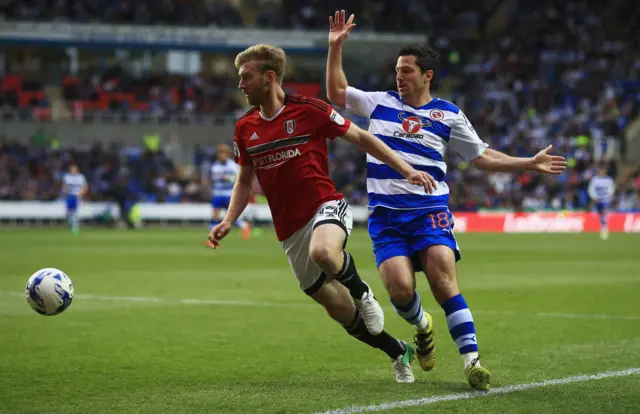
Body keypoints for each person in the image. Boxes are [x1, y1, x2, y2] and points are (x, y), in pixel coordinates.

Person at [325, 10, 568, 391]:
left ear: (427, 75)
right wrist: (335, 47)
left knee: (442, 275)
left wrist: (530, 163)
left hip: (429, 210)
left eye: (406, 70)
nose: (399, 76)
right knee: (401, 290)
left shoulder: (448, 115)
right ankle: (423, 327)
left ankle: (472, 362)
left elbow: (482, 156)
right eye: (397, 70)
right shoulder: (378, 103)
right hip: (387, 217)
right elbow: (337, 93)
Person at [207, 44, 437, 383]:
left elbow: (362, 137)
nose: (240, 84)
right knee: (340, 312)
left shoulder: (309, 109)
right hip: (289, 231)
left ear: (269, 78)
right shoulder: (245, 128)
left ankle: (363, 293)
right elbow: (245, 181)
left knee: (325, 252)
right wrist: (228, 220)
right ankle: (397, 350)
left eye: (246, 77)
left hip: (326, 207)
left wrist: (406, 169)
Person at [208, 143, 251, 240]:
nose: (221, 155)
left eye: (223, 153)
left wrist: (229, 178)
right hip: (218, 194)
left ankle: (244, 226)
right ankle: (212, 237)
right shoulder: (214, 166)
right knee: (215, 216)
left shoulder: (232, 165)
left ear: (227, 154)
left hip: (229, 194)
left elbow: (239, 179)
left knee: (232, 217)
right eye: (220, 153)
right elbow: (213, 180)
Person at [588, 165, 615, 240]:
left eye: (603, 170)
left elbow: (611, 190)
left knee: (604, 214)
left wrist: (608, 197)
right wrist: (594, 197)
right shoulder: (595, 179)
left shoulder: (609, 180)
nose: (602, 172)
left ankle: (604, 229)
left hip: (605, 200)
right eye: (600, 170)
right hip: (597, 200)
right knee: (597, 214)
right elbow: (591, 189)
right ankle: (596, 228)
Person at [62, 163, 87, 235]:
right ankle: (71, 224)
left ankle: (75, 227)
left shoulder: (81, 177)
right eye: (71, 169)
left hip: (77, 196)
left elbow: (85, 187)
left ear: (76, 170)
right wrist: (65, 191)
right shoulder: (67, 177)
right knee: (69, 212)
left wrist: (81, 194)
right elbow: (64, 186)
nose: (72, 170)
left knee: (75, 212)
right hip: (69, 196)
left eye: (73, 169)